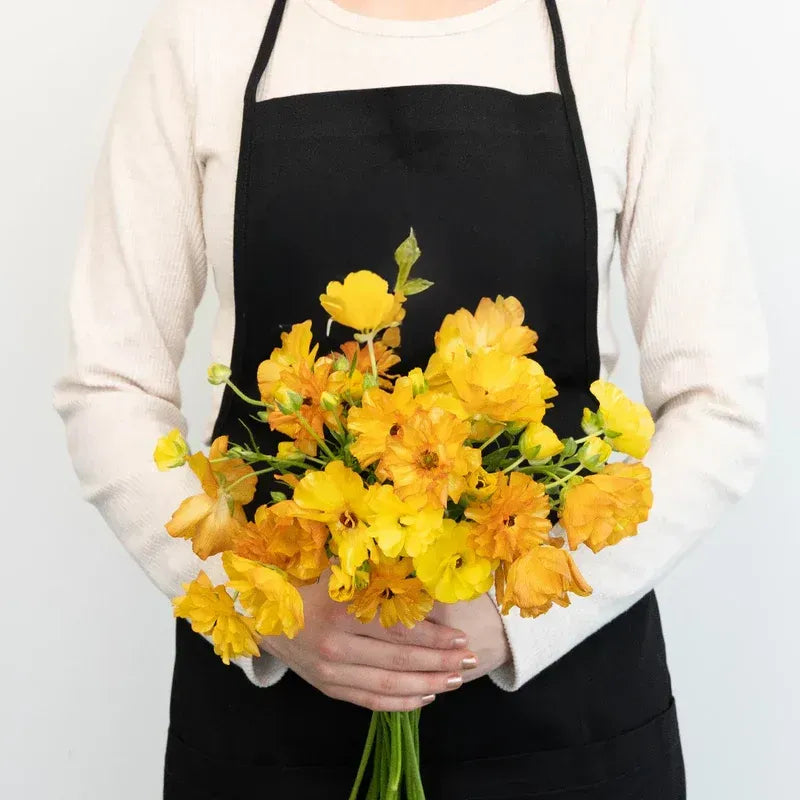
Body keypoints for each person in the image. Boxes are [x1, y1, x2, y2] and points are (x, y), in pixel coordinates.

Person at [51, 0, 769, 798]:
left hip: (568, 717)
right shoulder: (209, 30)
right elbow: (108, 383)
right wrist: (270, 612)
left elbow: (719, 399)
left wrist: (520, 613)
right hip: (278, 721)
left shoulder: (615, 33)